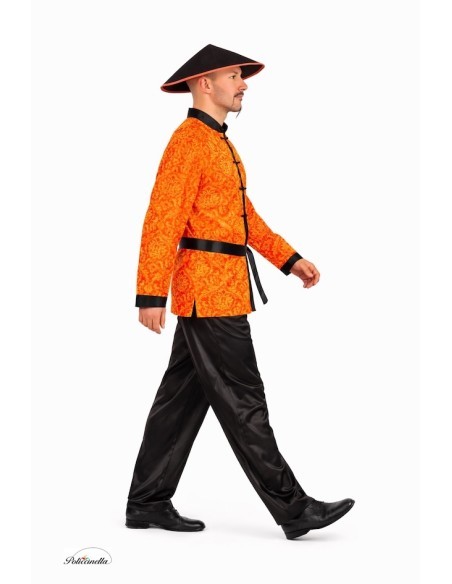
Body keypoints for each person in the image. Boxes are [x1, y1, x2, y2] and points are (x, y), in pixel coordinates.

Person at [125, 44, 354, 540]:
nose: (243, 84)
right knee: (245, 400)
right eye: (234, 76)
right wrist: (150, 293)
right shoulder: (188, 142)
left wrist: (289, 259)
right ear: (205, 83)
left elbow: (244, 220)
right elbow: (162, 218)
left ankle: (147, 500)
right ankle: (294, 509)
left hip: (221, 290)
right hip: (206, 293)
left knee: (180, 400)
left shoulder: (220, 143)